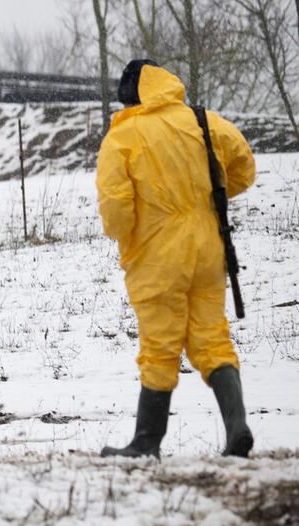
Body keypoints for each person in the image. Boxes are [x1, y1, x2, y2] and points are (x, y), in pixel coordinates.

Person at [96, 60, 256, 459]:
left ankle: (146, 442)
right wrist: (203, 199)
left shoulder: (123, 136)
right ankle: (237, 426)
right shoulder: (202, 121)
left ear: (130, 94)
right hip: (208, 249)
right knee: (212, 337)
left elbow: (116, 210)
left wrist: (128, 231)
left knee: (160, 345)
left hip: (157, 255)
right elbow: (243, 169)